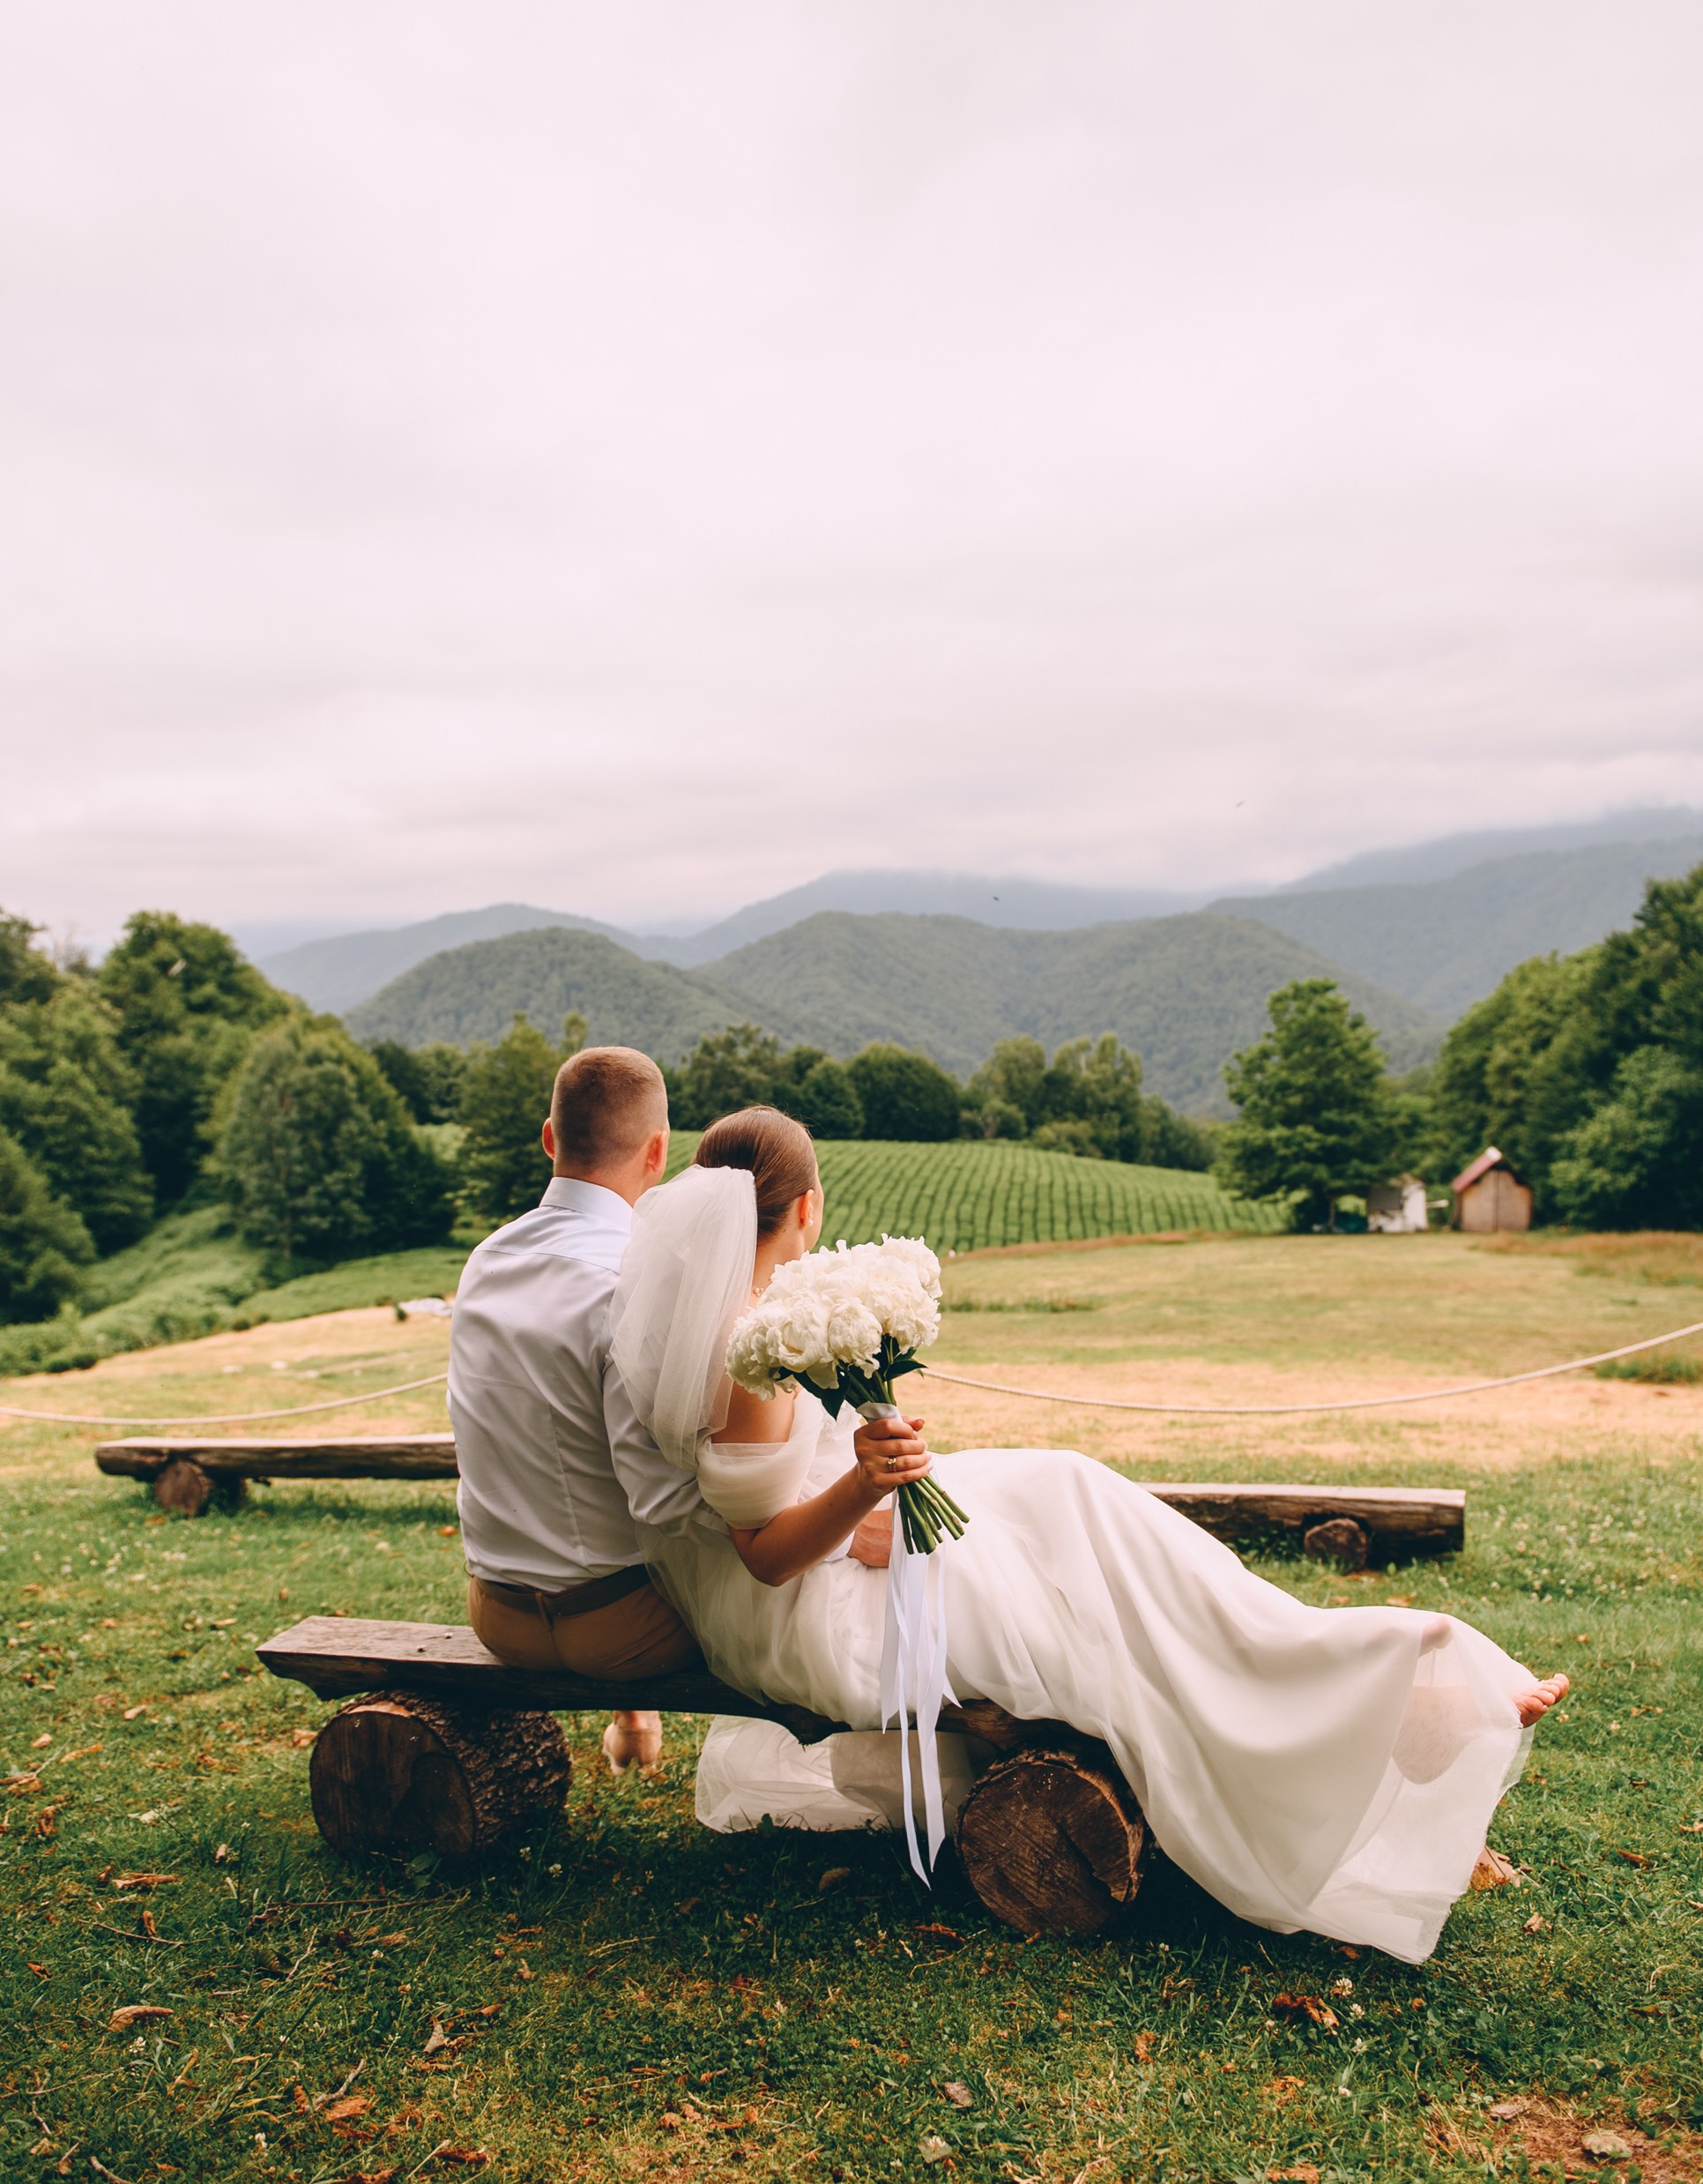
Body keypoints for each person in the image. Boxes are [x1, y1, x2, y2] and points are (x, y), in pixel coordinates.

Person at [607, 1106, 1568, 1964]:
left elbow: (784, 1499)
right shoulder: (744, 1353)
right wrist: (866, 1482)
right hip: (813, 1611)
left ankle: (1324, 1656)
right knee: (1088, 1590)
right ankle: (1366, 1683)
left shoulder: (760, 1316)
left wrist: (871, 1487)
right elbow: (766, 1556)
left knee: (1067, 1489)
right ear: (809, 1205)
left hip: (857, 1546)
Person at [448, 1044, 703, 1771]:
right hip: (621, 1627)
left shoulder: (485, 1260)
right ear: (658, 1152)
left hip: (498, 1613)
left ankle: (633, 1722)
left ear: (549, 1138)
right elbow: (660, 1492)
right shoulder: (636, 1277)